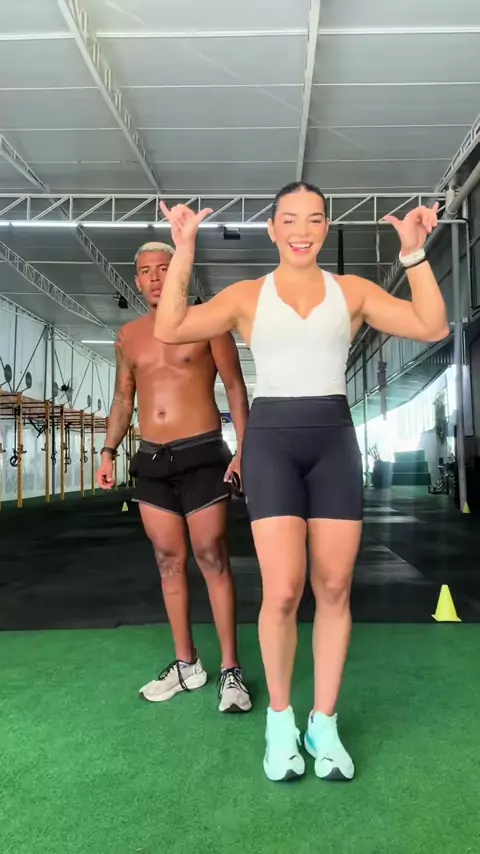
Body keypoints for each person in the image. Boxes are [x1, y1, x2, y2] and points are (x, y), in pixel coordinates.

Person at [154, 183, 449, 782]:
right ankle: (281, 723)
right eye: (289, 220)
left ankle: (324, 723)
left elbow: (432, 325)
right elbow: (172, 325)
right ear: (272, 229)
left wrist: (414, 254)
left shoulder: (353, 292)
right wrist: (183, 250)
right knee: (284, 589)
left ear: (326, 227)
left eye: (314, 220)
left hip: (332, 440)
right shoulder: (247, 296)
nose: (302, 230)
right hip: (272, 443)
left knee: (335, 586)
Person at [96, 241, 252, 714]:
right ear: (136, 280)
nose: (156, 277)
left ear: (181, 271)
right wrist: (108, 451)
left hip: (202, 453)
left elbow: (235, 387)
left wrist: (244, 450)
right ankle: (187, 665)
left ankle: (231, 670)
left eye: (165, 268)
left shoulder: (209, 323)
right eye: (146, 271)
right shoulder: (129, 336)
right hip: (152, 459)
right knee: (168, 560)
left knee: (212, 555)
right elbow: (123, 399)